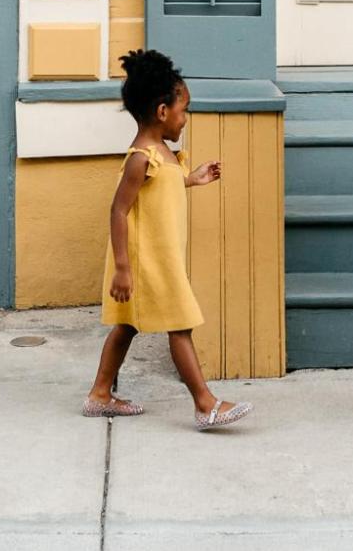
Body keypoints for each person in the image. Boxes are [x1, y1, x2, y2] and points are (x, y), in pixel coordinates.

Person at [83, 49, 250, 431]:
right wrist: (123, 268)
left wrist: (193, 178)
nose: (185, 118)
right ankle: (205, 403)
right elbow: (118, 211)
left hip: (161, 257)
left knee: (127, 325)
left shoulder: (163, 156)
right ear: (162, 112)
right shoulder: (141, 159)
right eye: (183, 110)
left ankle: (99, 394)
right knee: (180, 324)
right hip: (147, 262)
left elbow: (164, 190)